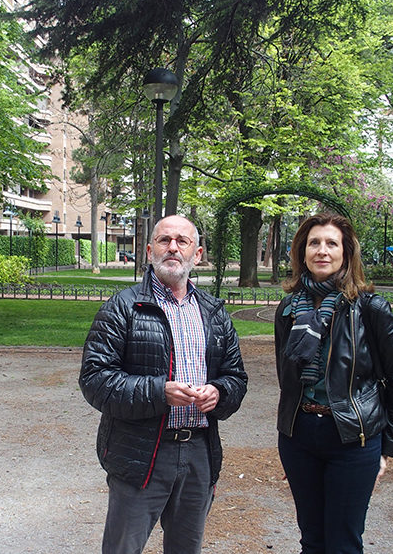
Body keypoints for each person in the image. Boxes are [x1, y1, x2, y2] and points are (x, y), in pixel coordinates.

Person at [80, 214, 248, 554]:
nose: (173, 248)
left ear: (197, 254)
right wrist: (160, 393)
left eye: (182, 241)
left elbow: (236, 377)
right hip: (141, 453)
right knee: (123, 548)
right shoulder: (122, 308)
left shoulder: (214, 312)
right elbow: (95, 379)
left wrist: (220, 392)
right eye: (164, 240)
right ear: (148, 250)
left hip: (199, 452)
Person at [274, 212, 393, 554]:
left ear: (346, 253)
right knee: (312, 540)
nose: (322, 251)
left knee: (343, 544)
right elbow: (287, 378)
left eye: (331, 243)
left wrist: (388, 448)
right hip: (299, 437)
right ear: (302, 252)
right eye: (314, 243)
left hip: (353, 439)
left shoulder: (370, 308)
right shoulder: (289, 309)